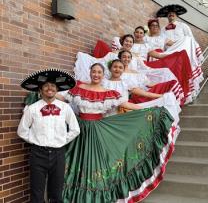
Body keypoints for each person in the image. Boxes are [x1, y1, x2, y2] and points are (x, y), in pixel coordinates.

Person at [61, 63, 180, 203]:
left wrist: (152, 109)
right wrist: (44, 94)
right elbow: (63, 98)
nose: (96, 75)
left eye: (99, 72)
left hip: (99, 130)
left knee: (97, 162)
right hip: (79, 129)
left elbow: (126, 105)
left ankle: (96, 196)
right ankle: (74, 195)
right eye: (94, 72)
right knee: (77, 160)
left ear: (102, 74)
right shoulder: (78, 89)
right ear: (90, 72)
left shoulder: (108, 92)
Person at [17, 68, 80, 203]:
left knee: (56, 192)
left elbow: (75, 129)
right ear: (40, 90)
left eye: (52, 86)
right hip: (38, 153)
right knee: (36, 192)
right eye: (46, 86)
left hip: (58, 153)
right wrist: (34, 139)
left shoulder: (65, 108)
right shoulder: (32, 108)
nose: (49, 88)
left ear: (56, 90)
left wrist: (63, 140)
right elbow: (22, 131)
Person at [156, 4, 204, 97]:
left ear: (176, 15)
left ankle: (189, 94)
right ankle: (176, 95)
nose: (171, 15)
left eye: (173, 14)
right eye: (169, 14)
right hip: (170, 56)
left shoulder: (183, 26)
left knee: (185, 74)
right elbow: (160, 43)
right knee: (173, 75)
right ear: (167, 16)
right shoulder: (163, 29)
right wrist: (166, 43)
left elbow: (190, 39)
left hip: (183, 54)